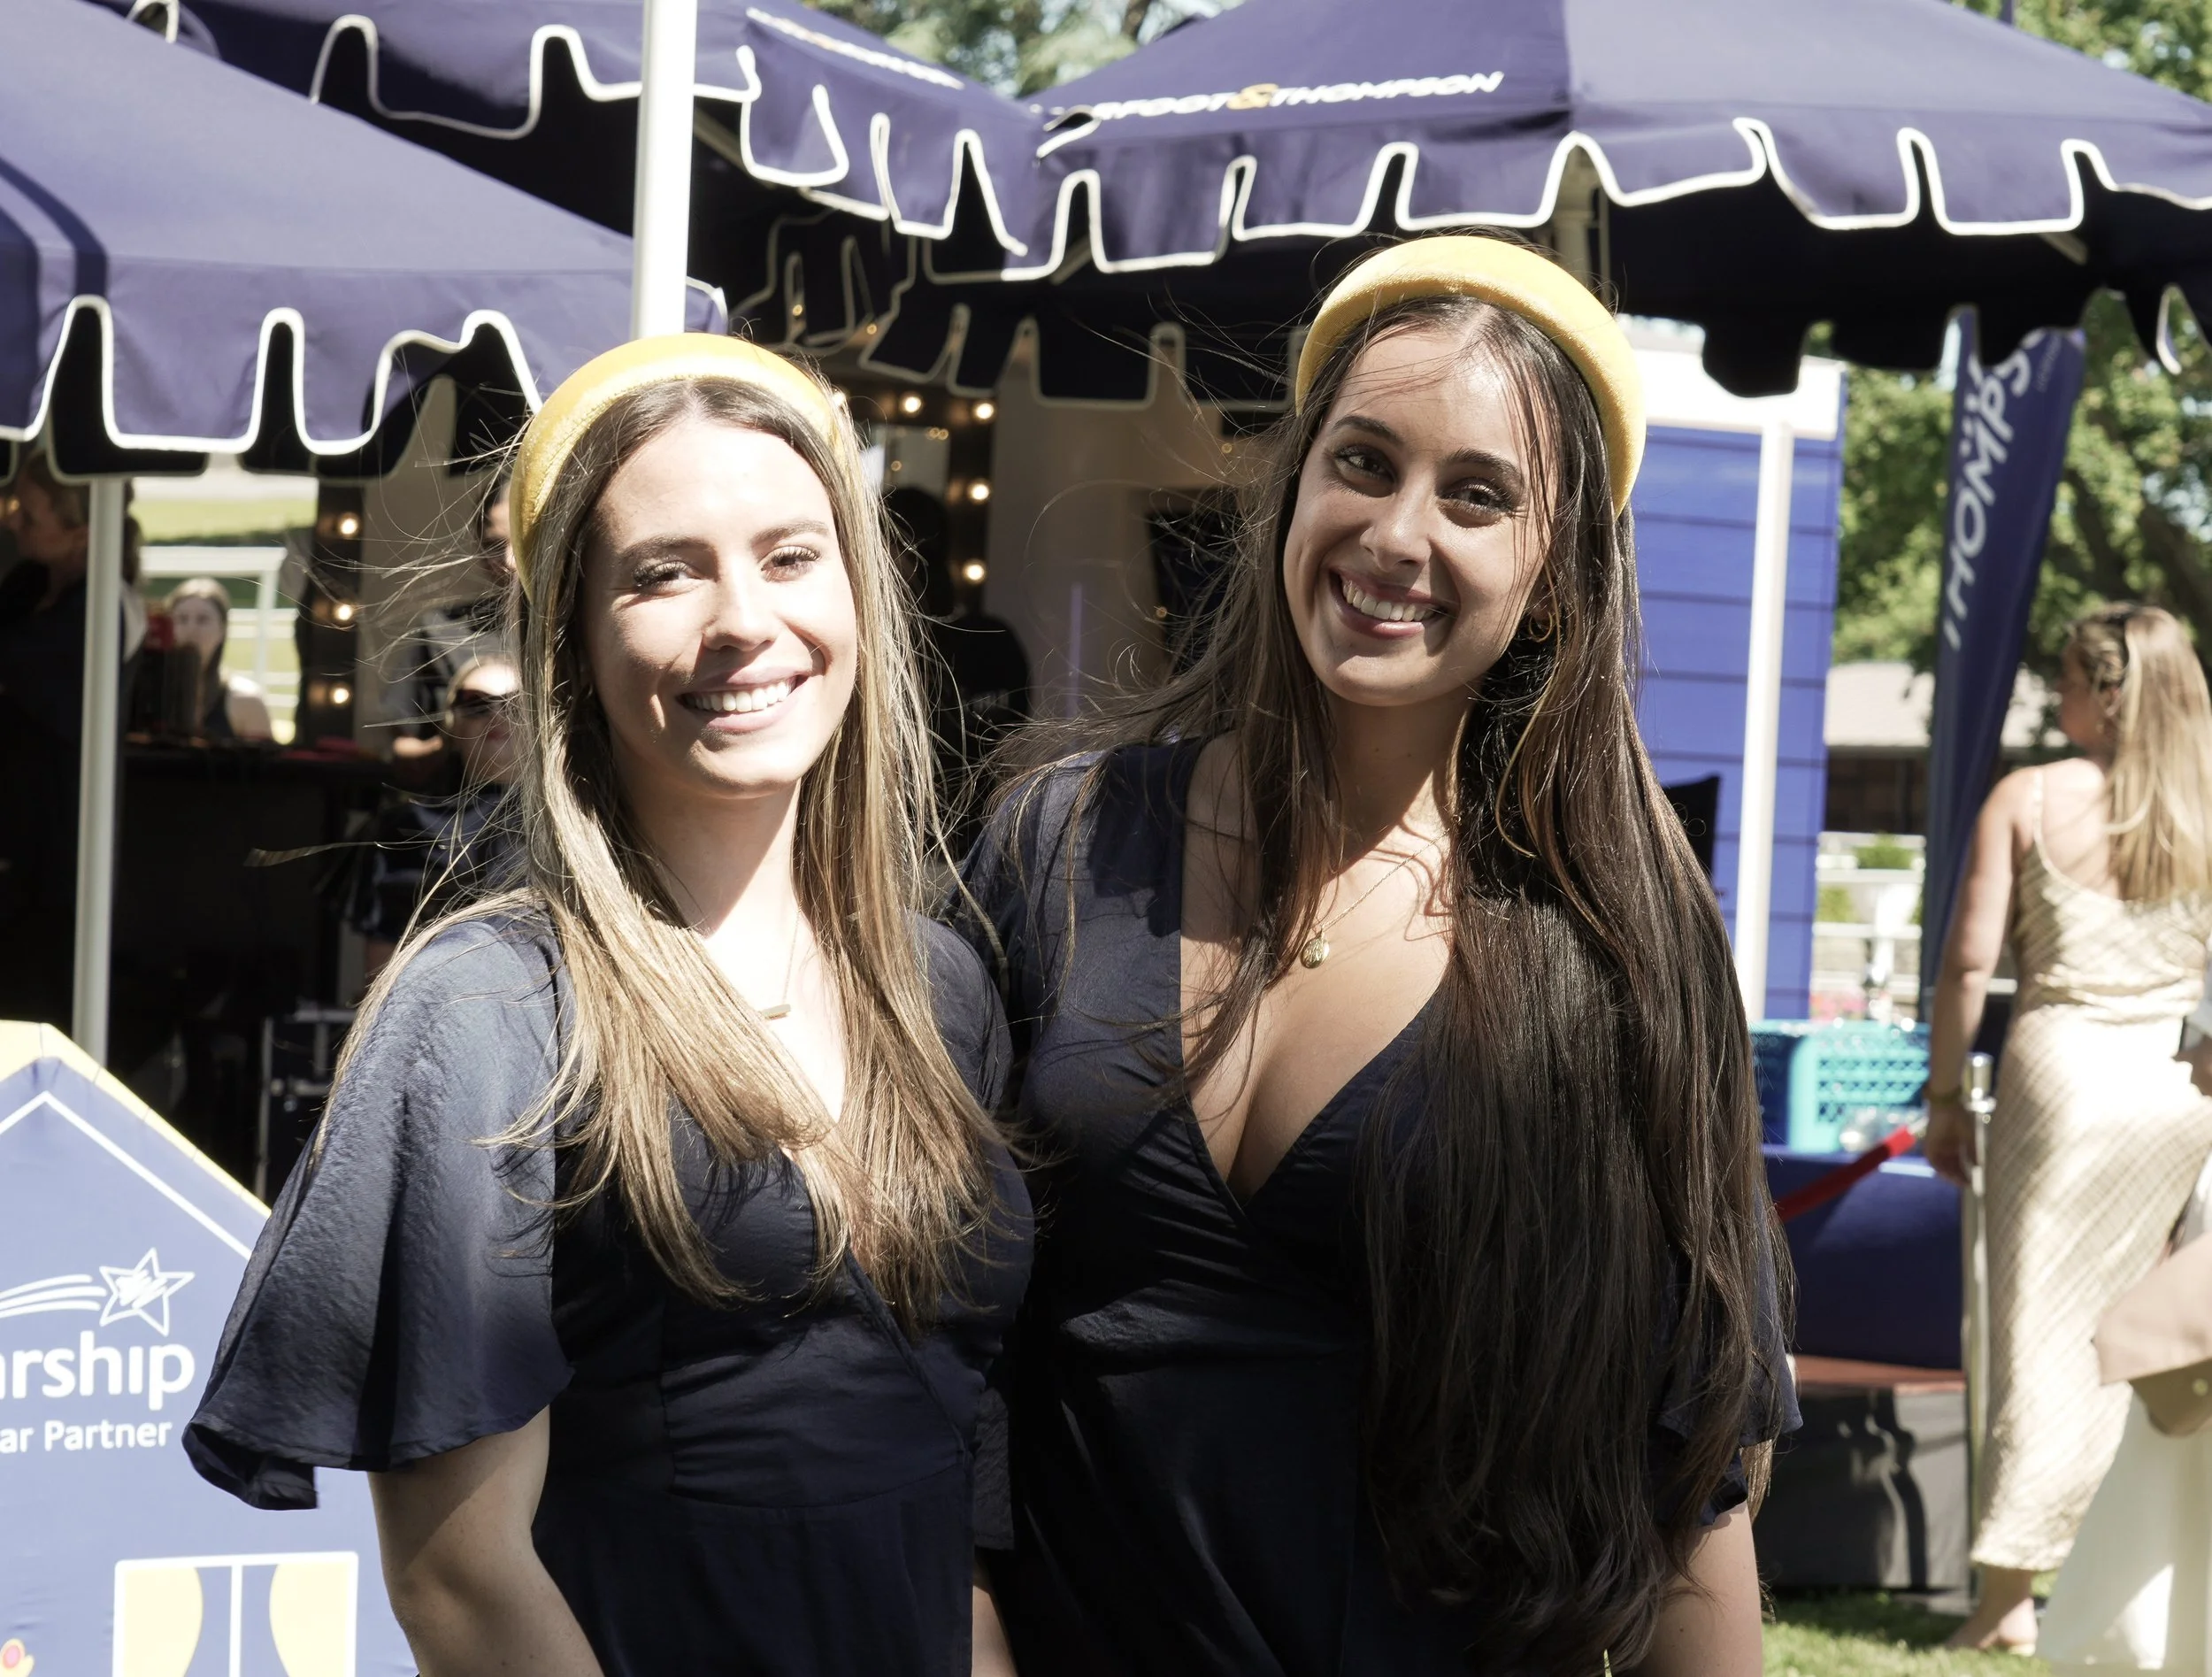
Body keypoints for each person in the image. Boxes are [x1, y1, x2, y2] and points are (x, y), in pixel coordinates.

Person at [959, 235, 1793, 1677]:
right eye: (1363, 462)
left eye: (1478, 494)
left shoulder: (1617, 946)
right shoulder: (1061, 842)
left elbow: (1689, 1464)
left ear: (1554, 575)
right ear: (1292, 487)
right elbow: (928, 1344)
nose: (1398, 533)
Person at [184, 335, 1032, 1677]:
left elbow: (952, 1435)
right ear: (571, 638)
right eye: (663, 572)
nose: (743, 617)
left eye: (790, 555)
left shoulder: (938, 983)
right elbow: (459, 1575)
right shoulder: (489, 1009)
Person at [1924, 603, 2212, 1654]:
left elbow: (1968, 962)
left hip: (2061, 1081)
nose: (2056, 696)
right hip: (2179, 1088)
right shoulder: (2203, 804)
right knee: (2158, 1330)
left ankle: (2005, 1594)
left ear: (2107, 692)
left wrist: (1943, 1096)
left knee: (2036, 1328)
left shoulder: (2030, 795)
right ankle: (2128, 1575)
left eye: (2067, 679)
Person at [0, 452, 141, 1027]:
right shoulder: (28, 586)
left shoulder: (103, 607)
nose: (12, 521)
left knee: (34, 1002)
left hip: (59, 847)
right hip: (17, 839)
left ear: (82, 532)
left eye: (28, 514)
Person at [339, 653, 524, 981]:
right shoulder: (406, 827)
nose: (497, 715)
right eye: (476, 703)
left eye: (515, 704)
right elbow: (382, 964)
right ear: (452, 723)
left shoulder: (578, 822)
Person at [390, 468, 514, 765]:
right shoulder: (442, 631)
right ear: (477, 545)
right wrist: (456, 741)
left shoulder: (583, 628)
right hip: (466, 793)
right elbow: (400, 748)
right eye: (494, 546)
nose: (509, 561)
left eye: (524, 543)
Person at [164, 576, 275, 741]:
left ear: (222, 630)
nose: (191, 629)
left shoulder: (246, 701)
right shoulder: (145, 695)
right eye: (181, 619)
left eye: (203, 620)